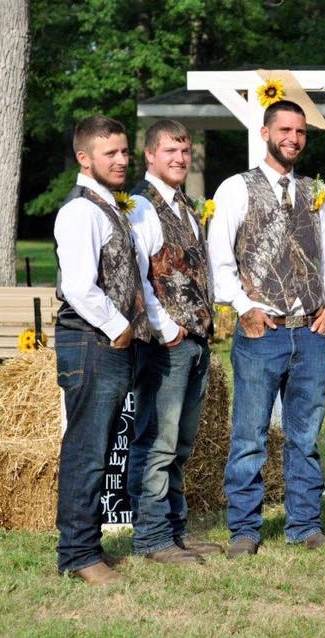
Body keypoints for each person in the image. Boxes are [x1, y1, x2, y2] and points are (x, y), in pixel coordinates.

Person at [207, 100, 325, 557]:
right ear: (265, 133)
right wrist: (244, 306)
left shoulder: (316, 191)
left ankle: (304, 525)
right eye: (285, 129)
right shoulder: (236, 188)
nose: (294, 138)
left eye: (301, 131)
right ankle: (244, 529)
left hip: (310, 333)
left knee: (305, 436)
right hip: (262, 332)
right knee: (250, 435)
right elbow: (219, 260)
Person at [53, 115, 150, 585]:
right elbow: (77, 287)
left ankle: (85, 548)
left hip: (106, 342)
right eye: (109, 152)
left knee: (101, 444)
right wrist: (120, 326)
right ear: (84, 157)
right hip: (91, 341)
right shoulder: (79, 211)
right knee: (87, 449)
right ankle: (77, 554)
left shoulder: (109, 206)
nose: (120, 160)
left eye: (124, 151)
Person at [127, 119, 221, 564]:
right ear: (149, 155)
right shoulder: (141, 207)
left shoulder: (184, 204)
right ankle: (150, 539)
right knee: (156, 443)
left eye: (184, 152)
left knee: (180, 446)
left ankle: (175, 532)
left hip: (196, 342)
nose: (180, 159)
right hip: (166, 345)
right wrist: (167, 328)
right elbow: (140, 277)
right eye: (170, 152)